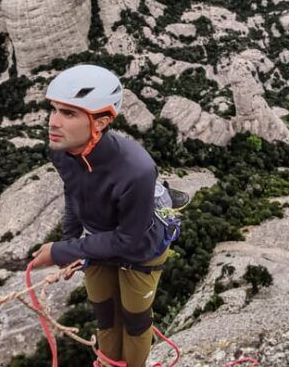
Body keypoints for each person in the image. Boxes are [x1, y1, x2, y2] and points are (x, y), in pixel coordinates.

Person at [30, 64, 172, 367]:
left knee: (134, 321)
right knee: (106, 316)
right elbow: (74, 193)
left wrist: (61, 251)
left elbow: (128, 240)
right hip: (97, 242)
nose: (53, 121)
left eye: (69, 113)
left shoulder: (136, 170)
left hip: (140, 250)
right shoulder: (62, 152)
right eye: (53, 109)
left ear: (102, 121)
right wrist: (69, 243)